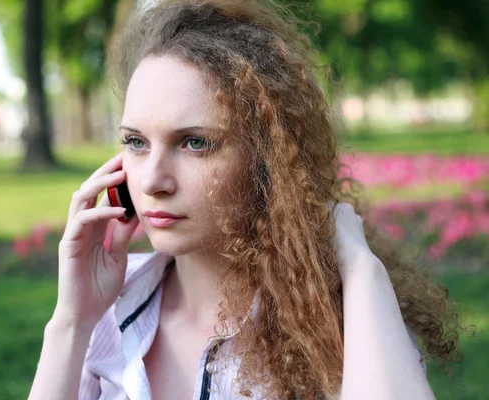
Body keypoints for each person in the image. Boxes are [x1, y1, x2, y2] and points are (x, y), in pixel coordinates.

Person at [29, 0, 463, 399]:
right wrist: (72, 320)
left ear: (267, 159)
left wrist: (362, 269)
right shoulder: (108, 303)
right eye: (136, 142)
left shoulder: (346, 323)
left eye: (195, 142)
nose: (153, 180)